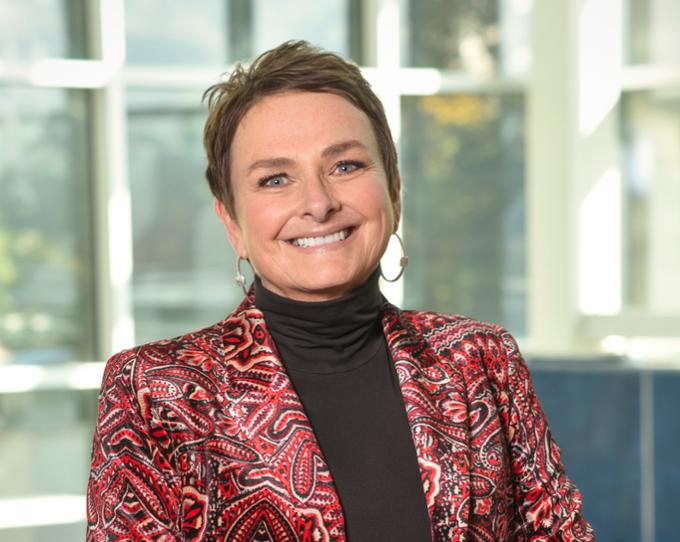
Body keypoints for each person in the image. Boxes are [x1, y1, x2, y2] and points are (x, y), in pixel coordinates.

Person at [86, 40, 594, 542]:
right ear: (232, 222)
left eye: (345, 166)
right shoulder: (154, 391)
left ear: (393, 189)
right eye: (275, 179)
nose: (318, 202)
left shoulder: (479, 358)